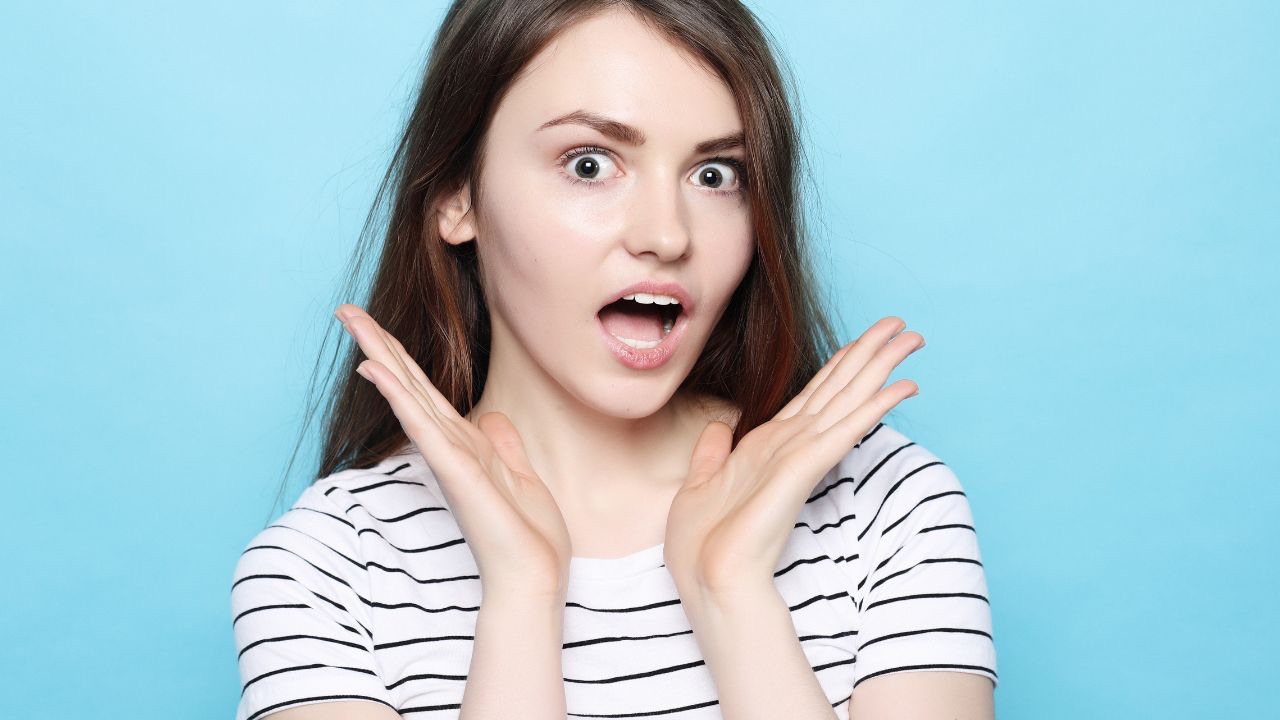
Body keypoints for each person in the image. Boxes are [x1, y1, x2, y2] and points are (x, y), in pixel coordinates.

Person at [229, 1, 998, 719]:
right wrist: (523, 599)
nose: (666, 234)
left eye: (714, 175)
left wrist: (731, 596)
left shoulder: (886, 510)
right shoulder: (325, 573)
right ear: (457, 194)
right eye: (590, 164)